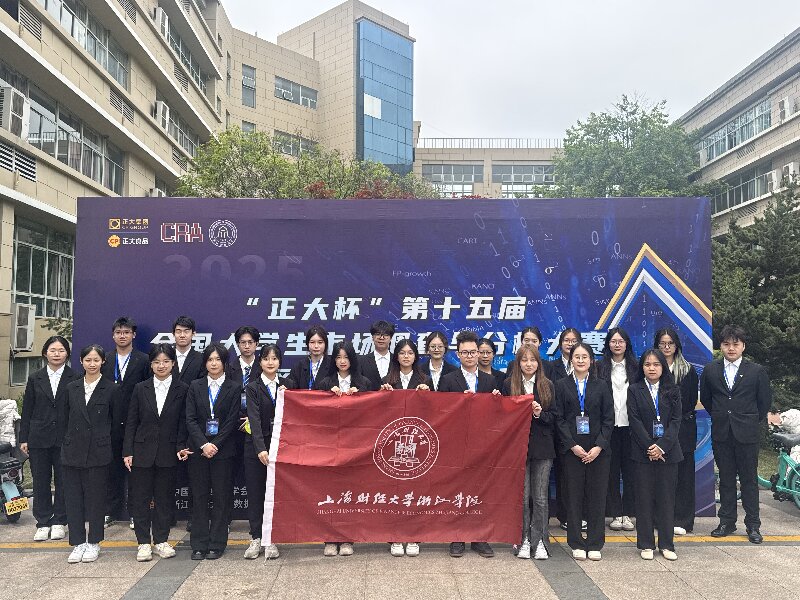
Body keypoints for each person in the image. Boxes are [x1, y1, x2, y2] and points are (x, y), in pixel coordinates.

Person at [700, 325, 771, 544]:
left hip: (747, 434)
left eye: (735, 344)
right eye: (726, 344)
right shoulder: (711, 370)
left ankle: (753, 525)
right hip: (722, 432)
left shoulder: (756, 371)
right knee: (726, 479)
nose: (731, 348)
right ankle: (727, 521)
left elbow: (764, 403)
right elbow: (707, 400)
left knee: (749, 480)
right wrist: (723, 417)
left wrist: (747, 420)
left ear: (743, 346)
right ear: (720, 346)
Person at [123, 344, 189, 562]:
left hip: (169, 452)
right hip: (142, 451)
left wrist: (181, 446)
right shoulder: (140, 388)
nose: (161, 366)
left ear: (173, 363)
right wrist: (128, 451)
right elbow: (131, 421)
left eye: (166, 361)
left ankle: (161, 540)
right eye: (157, 362)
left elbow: (184, 422)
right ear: (151, 364)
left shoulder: (182, 389)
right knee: (140, 499)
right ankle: (143, 542)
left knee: (164, 498)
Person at [439, 330, 500, 559]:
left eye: (473, 352)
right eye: (465, 352)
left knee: (481, 489)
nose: (470, 356)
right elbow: (441, 412)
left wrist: (496, 401)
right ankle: (457, 537)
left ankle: (479, 538)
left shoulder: (490, 380)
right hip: (456, 444)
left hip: (483, 444)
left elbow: (497, 415)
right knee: (458, 490)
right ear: (458, 354)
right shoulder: (448, 380)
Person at [553, 342, 614, 561]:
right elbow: (559, 418)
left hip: (598, 451)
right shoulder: (561, 385)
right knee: (574, 497)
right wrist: (572, 445)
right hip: (573, 451)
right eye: (577, 357)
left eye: (584, 357)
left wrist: (599, 446)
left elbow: (609, 419)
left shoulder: (602, 385)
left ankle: (595, 543)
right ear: (571, 359)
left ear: (591, 360)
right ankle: (576, 542)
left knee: (597, 497)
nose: (580, 360)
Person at [62, 345, 122, 564]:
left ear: (103, 362)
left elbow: (116, 423)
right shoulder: (71, 388)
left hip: (99, 451)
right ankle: (78, 542)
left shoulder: (112, 388)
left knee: (96, 499)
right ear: (81, 361)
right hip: (73, 451)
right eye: (88, 360)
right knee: (73, 499)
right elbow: (64, 419)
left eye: (96, 360)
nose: (92, 364)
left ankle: (94, 541)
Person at [185, 343, 242, 560]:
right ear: (205, 363)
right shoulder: (195, 386)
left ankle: (217, 544)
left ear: (224, 362)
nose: (214, 363)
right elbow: (190, 419)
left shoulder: (234, 387)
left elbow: (232, 421)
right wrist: (203, 444)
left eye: (218, 359)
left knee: (221, 497)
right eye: (210, 359)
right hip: (199, 450)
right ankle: (198, 544)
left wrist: (215, 444)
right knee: (199, 497)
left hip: (223, 451)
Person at [315, 341, 372, 557]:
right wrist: (328, 397)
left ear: (352, 359)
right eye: (338, 357)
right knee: (329, 491)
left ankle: (348, 538)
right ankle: (330, 538)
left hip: (356, 447)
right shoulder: (325, 383)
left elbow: (373, 414)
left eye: (346, 357)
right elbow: (314, 414)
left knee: (350, 492)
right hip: (330, 445)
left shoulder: (364, 383)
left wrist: (360, 397)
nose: (342, 361)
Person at [19, 336, 77, 542]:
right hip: (38, 438)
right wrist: (24, 438)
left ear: (67, 354)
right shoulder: (35, 378)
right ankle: (43, 522)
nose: (57, 354)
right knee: (40, 481)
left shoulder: (75, 377)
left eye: (61, 350)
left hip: (65, 438)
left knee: (63, 481)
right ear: (45, 353)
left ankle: (60, 521)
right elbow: (27, 410)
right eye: (53, 350)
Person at [627, 349, 682, 561]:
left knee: (666, 500)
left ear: (663, 367)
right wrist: (650, 446)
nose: (652, 368)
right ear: (642, 367)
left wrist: (661, 447)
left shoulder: (673, 389)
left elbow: (676, 421)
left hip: (668, 453)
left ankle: (667, 544)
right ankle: (646, 543)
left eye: (656, 364)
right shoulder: (634, 389)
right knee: (644, 499)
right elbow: (634, 420)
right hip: (643, 453)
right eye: (647, 364)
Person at [379, 339, 432, 558]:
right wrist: (383, 394)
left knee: (415, 491)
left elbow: (436, 411)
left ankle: (413, 536)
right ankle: (394, 536)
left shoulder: (425, 379)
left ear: (415, 356)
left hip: (418, 443)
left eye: (410, 353)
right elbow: (379, 412)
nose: (406, 356)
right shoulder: (387, 380)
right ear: (396, 356)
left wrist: (428, 394)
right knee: (394, 490)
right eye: (402, 353)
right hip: (393, 443)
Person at [502, 344, 555, 561]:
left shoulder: (547, 385)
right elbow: (503, 417)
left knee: (540, 498)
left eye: (532, 360)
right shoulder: (509, 384)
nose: (529, 364)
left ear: (538, 363)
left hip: (542, 448)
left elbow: (555, 418)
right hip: (517, 448)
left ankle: (540, 540)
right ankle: (523, 539)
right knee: (522, 498)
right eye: (524, 360)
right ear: (518, 363)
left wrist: (540, 413)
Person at [100, 316, 151, 528]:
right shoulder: (104, 359)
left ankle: (135, 512)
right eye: (119, 332)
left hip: (135, 421)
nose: (123, 336)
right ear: (113, 335)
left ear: (134, 335)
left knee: (135, 470)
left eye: (127, 332)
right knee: (111, 468)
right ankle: (110, 511)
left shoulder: (144, 360)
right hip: (110, 421)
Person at [243, 343, 286, 560]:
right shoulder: (252, 387)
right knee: (256, 493)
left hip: (280, 448)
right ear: (260, 362)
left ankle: (272, 538)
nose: (270, 362)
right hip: (256, 448)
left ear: (280, 362)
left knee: (276, 494)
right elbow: (254, 418)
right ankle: (256, 537)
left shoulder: (286, 385)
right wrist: (260, 448)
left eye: (274, 358)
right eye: (266, 358)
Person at [654, 328, 699, 535]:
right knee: (660, 477)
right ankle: (660, 519)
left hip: (683, 430)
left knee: (684, 476)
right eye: (662, 343)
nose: (666, 347)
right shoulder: (651, 368)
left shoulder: (688, 370)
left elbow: (690, 401)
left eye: (670, 343)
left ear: (677, 345)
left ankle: (683, 520)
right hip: (657, 431)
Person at [596, 327, 638, 532]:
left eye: (621, 341)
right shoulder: (599, 367)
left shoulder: (636, 367)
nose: (617, 344)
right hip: (609, 427)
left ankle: (628, 513)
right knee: (610, 471)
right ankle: (615, 513)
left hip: (631, 427)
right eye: (613, 341)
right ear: (608, 344)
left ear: (627, 344)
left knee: (630, 471)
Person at [547, 328, 582, 530]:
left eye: (574, 340)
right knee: (561, 475)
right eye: (566, 340)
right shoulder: (552, 367)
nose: (570, 344)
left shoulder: (587, 366)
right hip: (557, 428)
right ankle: (564, 515)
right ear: (560, 344)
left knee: (579, 475)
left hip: (582, 430)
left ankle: (579, 515)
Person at [287, 325, 331, 390]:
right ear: (307, 344)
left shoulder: (332, 365)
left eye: (320, 342)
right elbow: (291, 385)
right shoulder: (299, 366)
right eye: (312, 342)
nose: (316, 346)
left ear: (325, 344)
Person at [359, 320, 395, 391]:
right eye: (378, 334)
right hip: (370, 398)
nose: (381, 338)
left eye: (386, 335)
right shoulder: (362, 361)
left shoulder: (397, 360)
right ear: (372, 337)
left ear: (391, 338)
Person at [172, 316, 206, 384]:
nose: (182, 335)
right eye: (178, 331)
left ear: (193, 334)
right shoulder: (166, 357)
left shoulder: (201, 359)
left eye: (186, 331)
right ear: (173, 334)